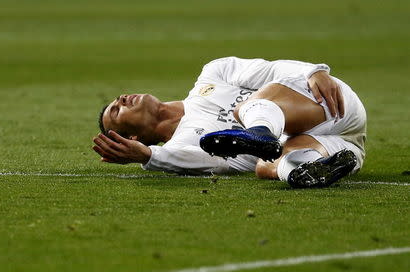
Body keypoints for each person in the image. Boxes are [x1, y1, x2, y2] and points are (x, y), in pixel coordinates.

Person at [92, 57, 366, 188]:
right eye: (117, 111)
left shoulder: (213, 75)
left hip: (328, 103)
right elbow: (202, 161)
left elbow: (273, 70)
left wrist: (314, 71)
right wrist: (150, 157)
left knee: (245, 109)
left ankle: (260, 131)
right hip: (340, 143)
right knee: (264, 166)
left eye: (118, 98)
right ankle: (306, 170)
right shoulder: (184, 145)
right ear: (133, 139)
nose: (122, 99)